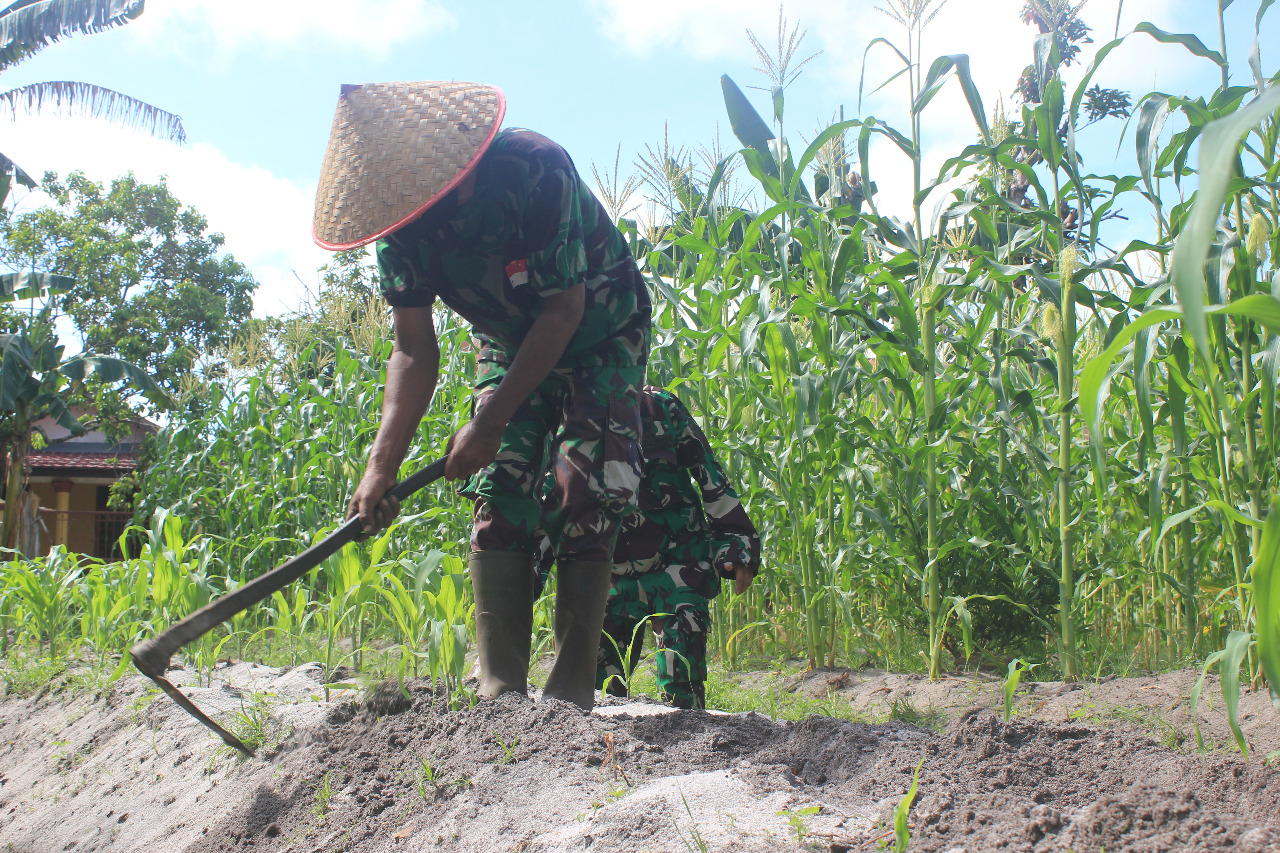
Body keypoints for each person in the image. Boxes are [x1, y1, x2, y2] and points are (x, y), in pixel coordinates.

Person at [312, 82, 651, 711]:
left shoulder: (534, 171)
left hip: (600, 333)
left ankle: (572, 691)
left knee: (587, 488)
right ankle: (501, 692)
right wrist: (380, 467)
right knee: (497, 490)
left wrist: (489, 420)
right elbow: (413, 350)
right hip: (508, 338)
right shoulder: (401, 236)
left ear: (455, 168)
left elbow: (564, 310)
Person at [535, 386, 760, 709]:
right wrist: (531, 569)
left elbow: (708, 472)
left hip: (676, 557)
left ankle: (689, 743)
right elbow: (550, 500)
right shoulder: (569, 416)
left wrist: (738, 544)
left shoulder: (661, 408)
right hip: (605, 567)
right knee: (597, 692)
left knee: (681, 673)